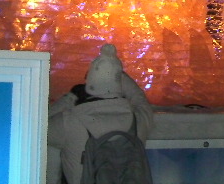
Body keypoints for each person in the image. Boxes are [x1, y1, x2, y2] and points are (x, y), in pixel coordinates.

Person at [47, 43, 154, 184]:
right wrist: (114, 69)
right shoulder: (139, 121)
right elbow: (138, 98)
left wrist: (70, 98)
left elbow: (39, 124)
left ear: (90, 83)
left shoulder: (70, 122)